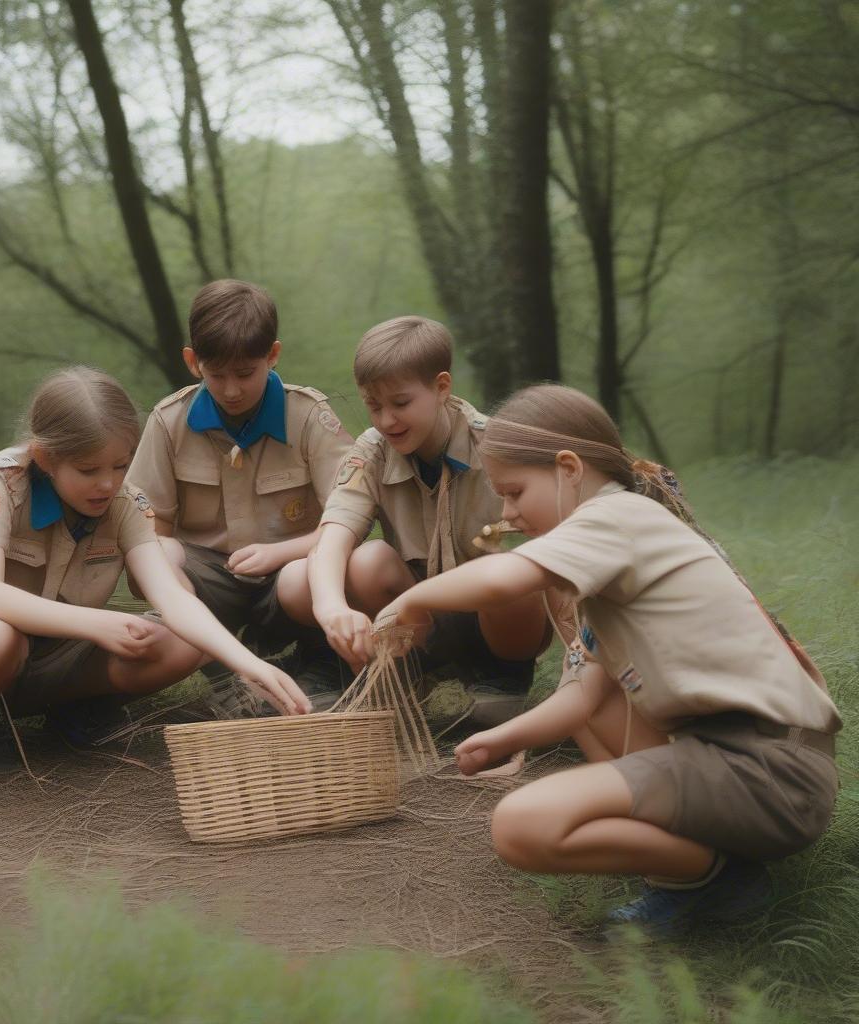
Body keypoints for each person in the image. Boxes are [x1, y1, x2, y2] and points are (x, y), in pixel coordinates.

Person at [376, 382, 841, 936]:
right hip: (742, 761)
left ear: (569, 468)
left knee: (522, 826)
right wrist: (505, 738)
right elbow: (583, 694)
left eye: (515, 492)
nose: (507, 513)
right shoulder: (610, 560)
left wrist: (410, 598)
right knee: (596, 698)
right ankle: (685, 863)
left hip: (768, 770)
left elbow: (507, 576)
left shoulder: (616, 517)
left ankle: (713, 879)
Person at [0, 366, 310, 774]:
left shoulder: (123, 500)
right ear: (46, 458)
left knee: (186, 636)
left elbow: (171, 596)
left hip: (62, 650)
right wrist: (99, 624)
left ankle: (74, 708)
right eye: (89, 470)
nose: (108, 484)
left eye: (120, 465)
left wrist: (248, 664)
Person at [308, 316, 549, 727]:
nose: (386, 421)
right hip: (416, 618)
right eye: (373, 405)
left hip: (499, 617)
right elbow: (333, 536)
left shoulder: (495, 444)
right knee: (367, 561)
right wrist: (330, 608)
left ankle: (502, 679)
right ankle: (409, 674)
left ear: (441, 387)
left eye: (400, 404)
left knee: (508, 568)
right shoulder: (374, 450)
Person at [127, 280, 354, 712]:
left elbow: (351, 520)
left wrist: (280, 553)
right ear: (193, 362)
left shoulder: (308, 417)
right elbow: (145, 529)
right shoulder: (168, 422)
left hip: (289, 579)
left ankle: (321, 663)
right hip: (209, 589)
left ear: (272, 355)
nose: (231, 390)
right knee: (152, 554)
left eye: (246, 373)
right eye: (217, 375)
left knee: (313, 571)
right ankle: (225, 677)